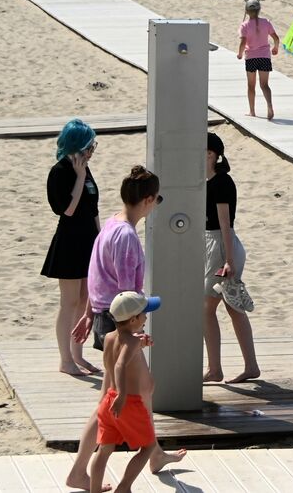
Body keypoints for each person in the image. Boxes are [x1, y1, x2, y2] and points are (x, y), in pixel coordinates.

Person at [67, 167, 183, 490]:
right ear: (147, 200)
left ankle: (153, 452)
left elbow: (95, 275)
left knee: (126, 392)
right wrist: (132, 332)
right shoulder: (127, 236)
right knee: (130, 391)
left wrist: (90, 313)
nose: (155, 205)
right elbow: (126, 295)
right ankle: (144, 455)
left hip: (108, 317)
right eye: (155, 200)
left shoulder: (111, 224)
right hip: (121, 323)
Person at [87, 291, 169, 493]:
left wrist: (140, 343)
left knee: (104, 450)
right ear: (134, 319)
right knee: (148, 447)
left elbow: (118, 354)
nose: (146, 317)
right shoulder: (131, 342)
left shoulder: (108, 337)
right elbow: (120, 365)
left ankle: (95, 490)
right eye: (144, 314)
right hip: (128, 403)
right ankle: (123, 487)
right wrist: (123, 395)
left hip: (108, 401)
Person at [42, 120, 102, 376]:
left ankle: (78, 356)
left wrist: (101, 241)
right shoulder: (61, 172)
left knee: (85, 301)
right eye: (89, 146)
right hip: (68, 242)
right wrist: (78, 177)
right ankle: (65, 359)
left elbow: (93, 207)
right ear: (77, 145)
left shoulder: (85, 169)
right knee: (68, 301)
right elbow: (68, 209)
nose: (91, 152)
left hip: (89, 240)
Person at [203, 133, 258, 384]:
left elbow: (225, 224)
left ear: (212, 155)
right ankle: (248, 366)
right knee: (231, 307)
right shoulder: (208, 181)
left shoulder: (222, 182)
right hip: (215, 245)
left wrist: (228, 261)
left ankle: (217, 369)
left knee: (208, 307)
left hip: (223, 247)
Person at [236, 0, 279, 119]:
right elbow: (276, 38)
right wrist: (275, 48)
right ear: (259, 10)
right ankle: (269, 105)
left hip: (251, 57)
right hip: (264, 56)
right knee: (265, 85)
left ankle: (252, 111)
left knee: (251, 85)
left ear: (247, 11)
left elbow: (243, 41)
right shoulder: (266, 22)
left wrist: (240, 54)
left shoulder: (244, 25)